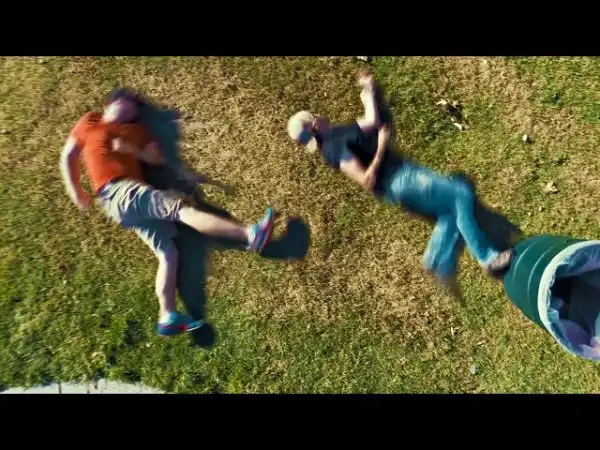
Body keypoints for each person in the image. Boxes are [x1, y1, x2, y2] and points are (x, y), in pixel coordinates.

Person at [60, 88, 276, 337]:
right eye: (128, 105)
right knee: (181, 211)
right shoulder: (90, 121)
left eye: (134, 111)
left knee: (167, 252)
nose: (131, 112)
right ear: (112, 102)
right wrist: (76, 191)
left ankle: (167, 315)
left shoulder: (138, 131)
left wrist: (134, 150)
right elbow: (69, 154)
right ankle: (250, 235)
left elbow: (157, 159)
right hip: (119, 193)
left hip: (130, 198)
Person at [286, 71, 512, 287]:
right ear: (315, 125)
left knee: (450, 210)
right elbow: (366, 180)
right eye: (314, 116)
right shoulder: (333, 150)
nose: (319, 115)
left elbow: (372, 121)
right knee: (459, 194)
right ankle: (487, 258)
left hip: (403, 172)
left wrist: (368, 90)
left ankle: (436, 258)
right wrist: (382, 145)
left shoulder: (337, 133)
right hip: (399, 180)